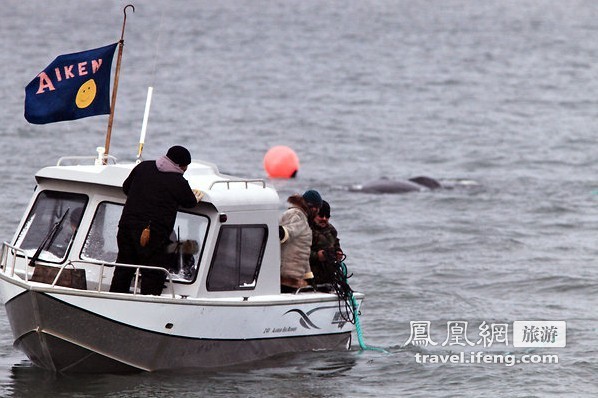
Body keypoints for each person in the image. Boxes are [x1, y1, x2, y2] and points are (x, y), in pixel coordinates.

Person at [109, 145, 202, 295]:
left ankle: (113, 301)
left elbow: (126, 188)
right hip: (153, 235)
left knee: (123, 269)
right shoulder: (178, 181)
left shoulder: (143, 167)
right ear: (180, 165)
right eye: (185, 166)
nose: (185, 170)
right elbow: (190, 202)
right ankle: (146, 309)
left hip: (126, 228)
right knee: (153, 273)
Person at [279, 189, 322, 292]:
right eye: (316, 208)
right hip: (287, 279)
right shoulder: (297, 215)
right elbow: (288, 231)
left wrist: (309, 277)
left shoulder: (302, 217)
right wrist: (281, 232)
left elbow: (302, 251)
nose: (317, 212)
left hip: (294, 279)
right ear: (313, 207)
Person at [309, 200, 343, 288]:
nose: (324, 218)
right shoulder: (306, 229)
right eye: (321, 215)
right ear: (314, 214)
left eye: (327, 216)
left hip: (328, 278)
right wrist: (317, 256)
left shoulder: (331, 230)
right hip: (310, 278)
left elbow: (336, 243)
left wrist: (338, 252)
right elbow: (298, 252)